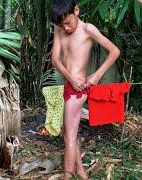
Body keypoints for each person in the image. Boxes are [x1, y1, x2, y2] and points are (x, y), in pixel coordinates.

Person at [51, 0, 120, 179]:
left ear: (77, 11)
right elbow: (55, 60)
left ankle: (67, 176)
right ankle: (80, 172)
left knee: (70, 139)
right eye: (62, 24)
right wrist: (70, 77)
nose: (65, 28)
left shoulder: (88, 29)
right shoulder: (59, 29)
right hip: (70, 84)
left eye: (68, 22)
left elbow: (114, 51)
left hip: (79, 89)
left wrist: (96, 75)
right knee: (67, 133)